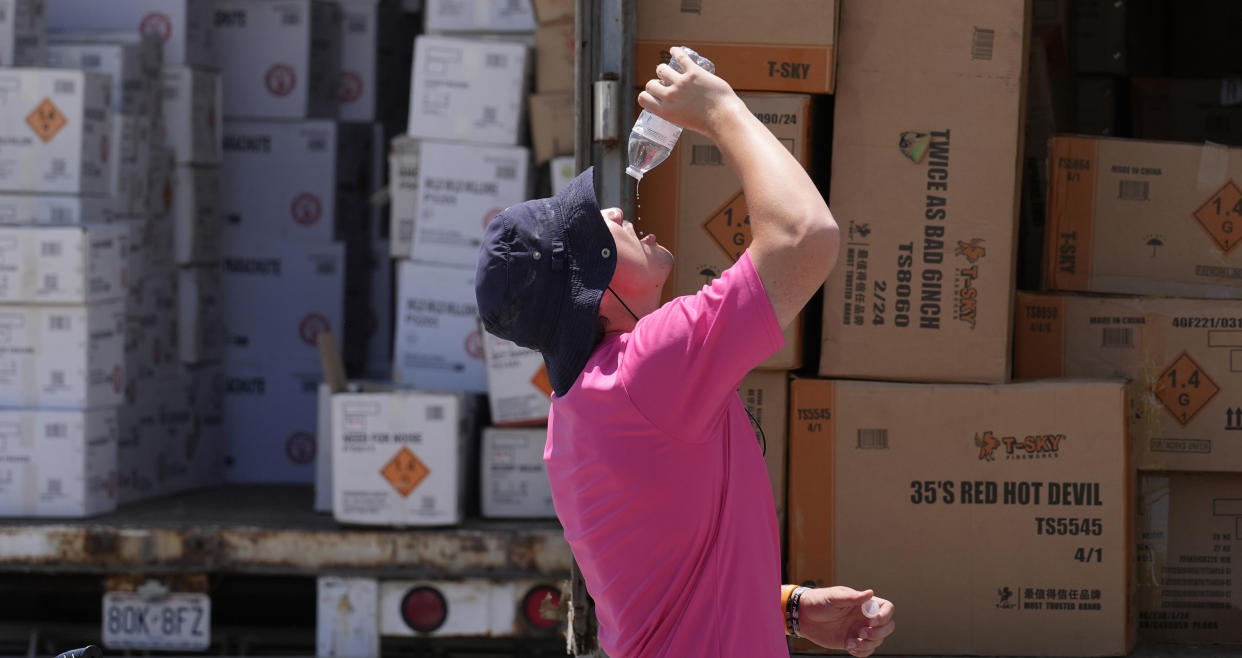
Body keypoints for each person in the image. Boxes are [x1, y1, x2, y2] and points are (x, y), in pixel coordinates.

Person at [476, 47, 895, 657]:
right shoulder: (642, 375)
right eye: (599, 227)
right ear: (594, 291)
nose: (616, 212)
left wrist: (785, 607)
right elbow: (804, 238)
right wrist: (720, 109)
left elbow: (661, 587)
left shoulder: (592, 402)